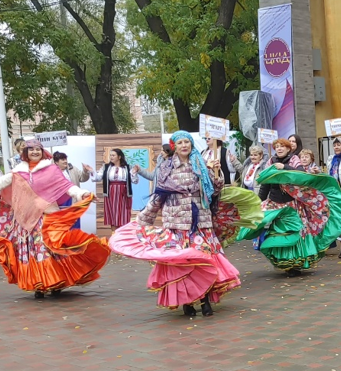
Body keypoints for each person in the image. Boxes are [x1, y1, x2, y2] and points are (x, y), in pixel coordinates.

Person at [111, 131, 259, 316]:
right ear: (174, 146)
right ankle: (187, 302)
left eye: (187, 142)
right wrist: (142, 220)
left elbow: (215, 190)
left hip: (201, 223)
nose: (184, 145)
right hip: (177, 224)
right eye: (180, 142)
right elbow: (158, 196)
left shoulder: (201, 164)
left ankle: (206, 301)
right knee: (183, 264)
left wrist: (216, 172)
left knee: (204, 261)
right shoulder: (166, 167)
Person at [0, 138, 110, 298]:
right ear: (25, 152)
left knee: (49, 249)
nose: (35, 152)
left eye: (38, 149)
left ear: (42, 152)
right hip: (25, 220)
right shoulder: (17, 171)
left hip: (46, 217)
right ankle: (38, 284)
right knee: (30, 251)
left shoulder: (51, 169)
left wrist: (82, 193)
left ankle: (55, 282)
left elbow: (67, 186)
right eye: (31, 149)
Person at [239, 138, 341, 275]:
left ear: (288, 148)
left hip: (292, 204)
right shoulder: (270, 162)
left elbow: (301, 174)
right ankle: (284, 261)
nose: (279, 149)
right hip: (275, 203)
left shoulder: (294, 160)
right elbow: (265, 184)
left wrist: (284, 167)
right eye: (276, 147)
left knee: (296, 233)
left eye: (282, 146)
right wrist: (258, 201)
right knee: (278, 233)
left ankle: (295, 265)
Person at [91, 149, 140, 230]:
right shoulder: (106, 167)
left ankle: (123, 235)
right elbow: (97, 177)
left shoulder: (127, 168)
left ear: (119, 157)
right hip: (111, 192)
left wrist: (134, 172)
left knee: (123, 214)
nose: (111, 157)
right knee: (113, 214)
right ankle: (114, 235)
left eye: (113, 155)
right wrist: (91, 171)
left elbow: (135, 181)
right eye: (110, 155)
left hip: (124, 193)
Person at [52, 151, 92, 230]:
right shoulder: (51, 172)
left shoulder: (72, 168)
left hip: (73, 198)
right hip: (60, 200)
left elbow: (82, 178)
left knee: (75, 220)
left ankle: (75, 239)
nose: (65, 161)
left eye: (66, 159)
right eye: (62, 159)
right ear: (56, 162)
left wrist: (85, 171)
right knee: (63, 222)